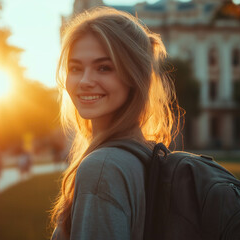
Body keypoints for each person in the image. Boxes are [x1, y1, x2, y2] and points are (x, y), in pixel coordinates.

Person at [50, 7, 181, 240]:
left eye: (104, 67)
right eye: (75, 68)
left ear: (134, 75)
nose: (85, 81)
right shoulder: (144, 152)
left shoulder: (102, 167)